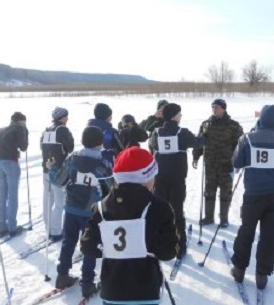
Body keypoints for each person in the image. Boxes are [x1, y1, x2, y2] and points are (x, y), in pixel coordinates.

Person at [80, 147, 179, 305]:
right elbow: (168, 252)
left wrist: (107, 247)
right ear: (146, 177)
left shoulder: (101, 207)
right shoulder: (159, 207)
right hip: (146, 291)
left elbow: (87, 246)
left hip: (111, 290)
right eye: (153, 175)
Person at [48, 127, 115, 298]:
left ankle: (62, 274)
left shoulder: (72, 160)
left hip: (70, 208)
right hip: (91, 212)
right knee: (90, 247)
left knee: (68, 241)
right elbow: (112, 188)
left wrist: (52, 168)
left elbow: (59, 180)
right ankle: (87, 282)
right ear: (100, 144)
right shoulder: (103, 165)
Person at [229, 104, 274, 290]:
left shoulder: (246, 138)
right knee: (270, 235)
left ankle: (239, 269)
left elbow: (236, 162)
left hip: (254, 195)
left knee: (246, 230)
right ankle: (262, 274)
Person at [148, 103, 201, 259]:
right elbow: (197, 142)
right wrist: (203, 137)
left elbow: (151, 145)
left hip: (160, 179)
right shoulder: (182, 133)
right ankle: (179, 247)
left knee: (159, 211)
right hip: (177, 179)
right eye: (179, 113)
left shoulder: (156, 132)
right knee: (177, 213)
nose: (181, 116)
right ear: (174, 115)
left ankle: (158, 245)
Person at [193, 98, 243, 227]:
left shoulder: (234, 125)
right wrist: (196, 156)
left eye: (217, 107)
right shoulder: (206, 124)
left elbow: (240, 145)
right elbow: (199, 142)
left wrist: (239, 161)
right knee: (209, 190)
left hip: (226, 164)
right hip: (210, 163)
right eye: (213, 107)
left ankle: (224, 219)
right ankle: (209, 217)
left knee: (225, 192)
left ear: (224, 108)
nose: (214, 109)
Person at [0, 111, 29, 237]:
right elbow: (23, 147)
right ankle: (12, 228)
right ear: (20, 121)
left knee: (2, 196)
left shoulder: (1, 130)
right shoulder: (19, 128)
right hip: (11, 162)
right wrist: (25, 132)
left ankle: (2, 227)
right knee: (12, 196)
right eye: (24, 122)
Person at [40, 107, 74, 242]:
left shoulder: (46, 130)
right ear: (61, 117)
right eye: (66, 116)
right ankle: (56, 231)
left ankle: (48, 229)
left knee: (47, 200)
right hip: (59, 170)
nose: (67, 119)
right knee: (59, 202)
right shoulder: (63, 130)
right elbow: (70, 147)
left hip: (46, 169)